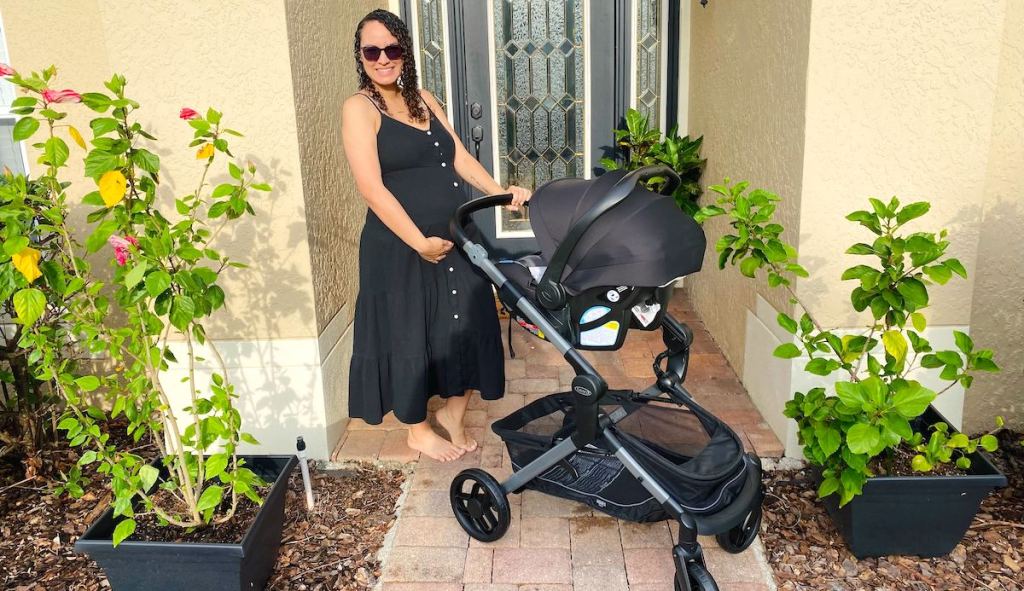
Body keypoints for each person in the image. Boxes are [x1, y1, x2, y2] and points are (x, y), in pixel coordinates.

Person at [343, 9, 531, 462]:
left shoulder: (424, 98)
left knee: (471, 320)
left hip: (454, 236)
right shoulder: (359, 109)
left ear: (405, 51)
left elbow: (459, 157)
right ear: (361, 57)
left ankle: (451, 413)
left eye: (392, 48)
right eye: (373, 50)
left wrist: (499, 192)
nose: (383, 58)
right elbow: (371, 188)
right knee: (410, 332)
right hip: (400, 245)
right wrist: (418, 242)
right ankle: (417, 430)